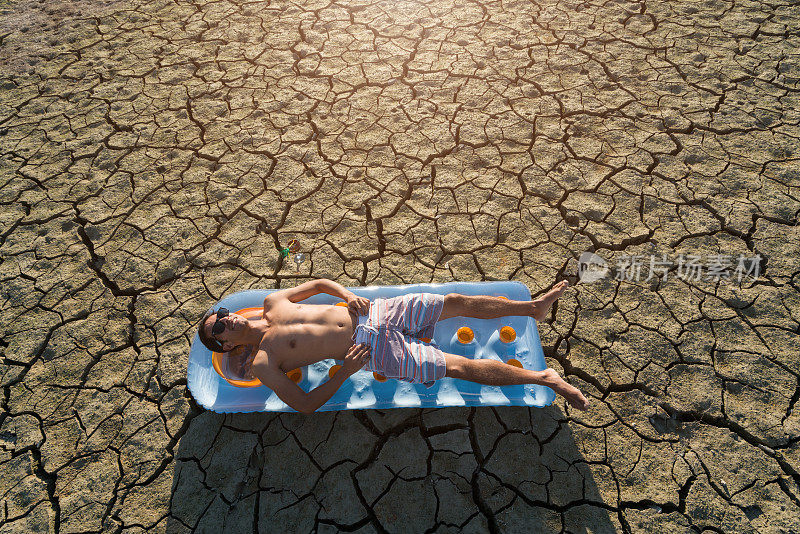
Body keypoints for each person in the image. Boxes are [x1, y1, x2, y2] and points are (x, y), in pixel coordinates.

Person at [197, 278, 589, 413]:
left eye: (221, 312)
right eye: (219, 327)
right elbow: (303, 405)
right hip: (369, 353)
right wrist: (347, 372)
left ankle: (532, 307)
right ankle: (545, 378)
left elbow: (317, 286)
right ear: (225, 345)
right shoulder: (264, 362)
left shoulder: (272, 302)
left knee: (450, 302)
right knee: (454, 366)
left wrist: (347, 294)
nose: (226, 317)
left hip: (377, 312)